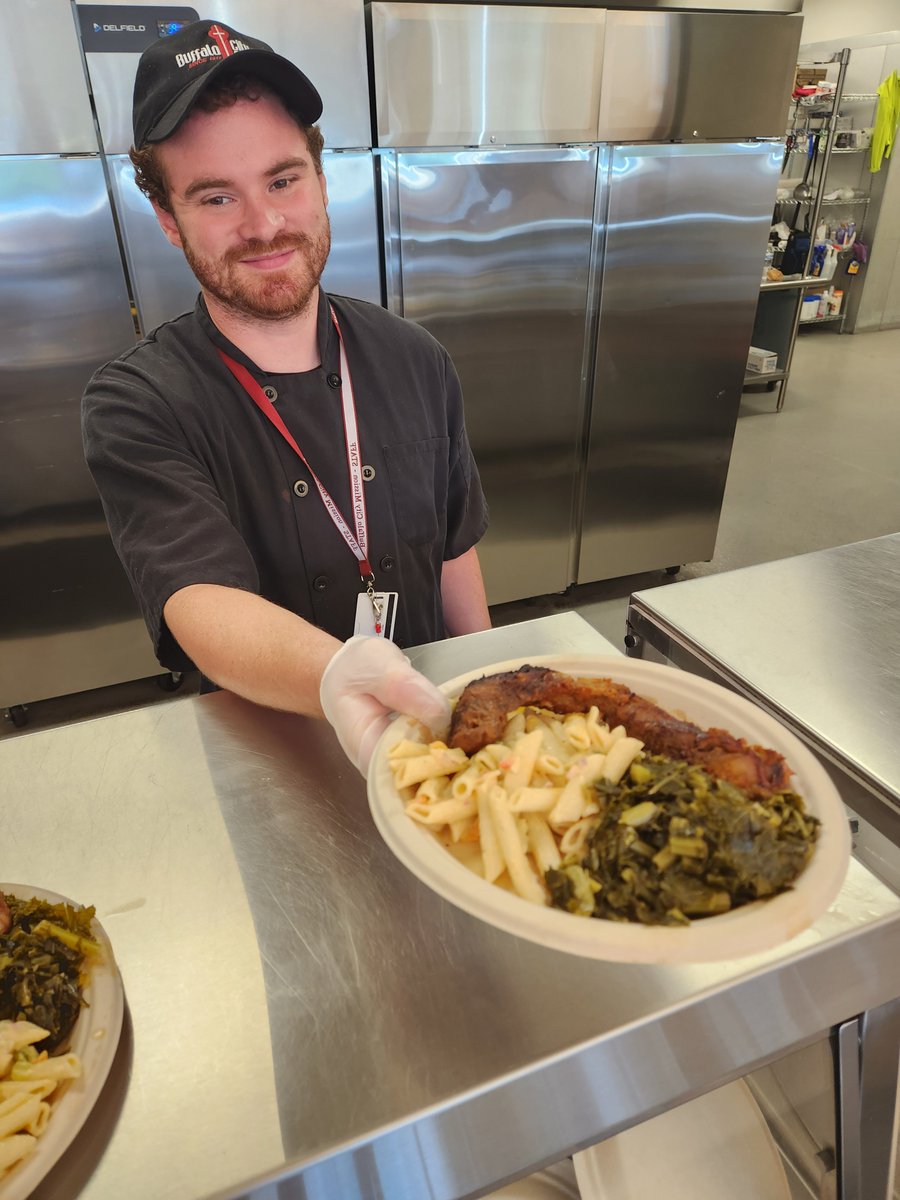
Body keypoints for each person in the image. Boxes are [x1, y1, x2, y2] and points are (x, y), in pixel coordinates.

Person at [81, 19, 491, 772]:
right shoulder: (137, 403)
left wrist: (482, 696)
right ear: (169, 221)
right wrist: (335, 676)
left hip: (436, 738)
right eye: (215, 198)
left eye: (282, 179)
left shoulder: (414, 357)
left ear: (321, 180)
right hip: (267, 762)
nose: (264, 224)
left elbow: (454, 553)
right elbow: (198, 600)